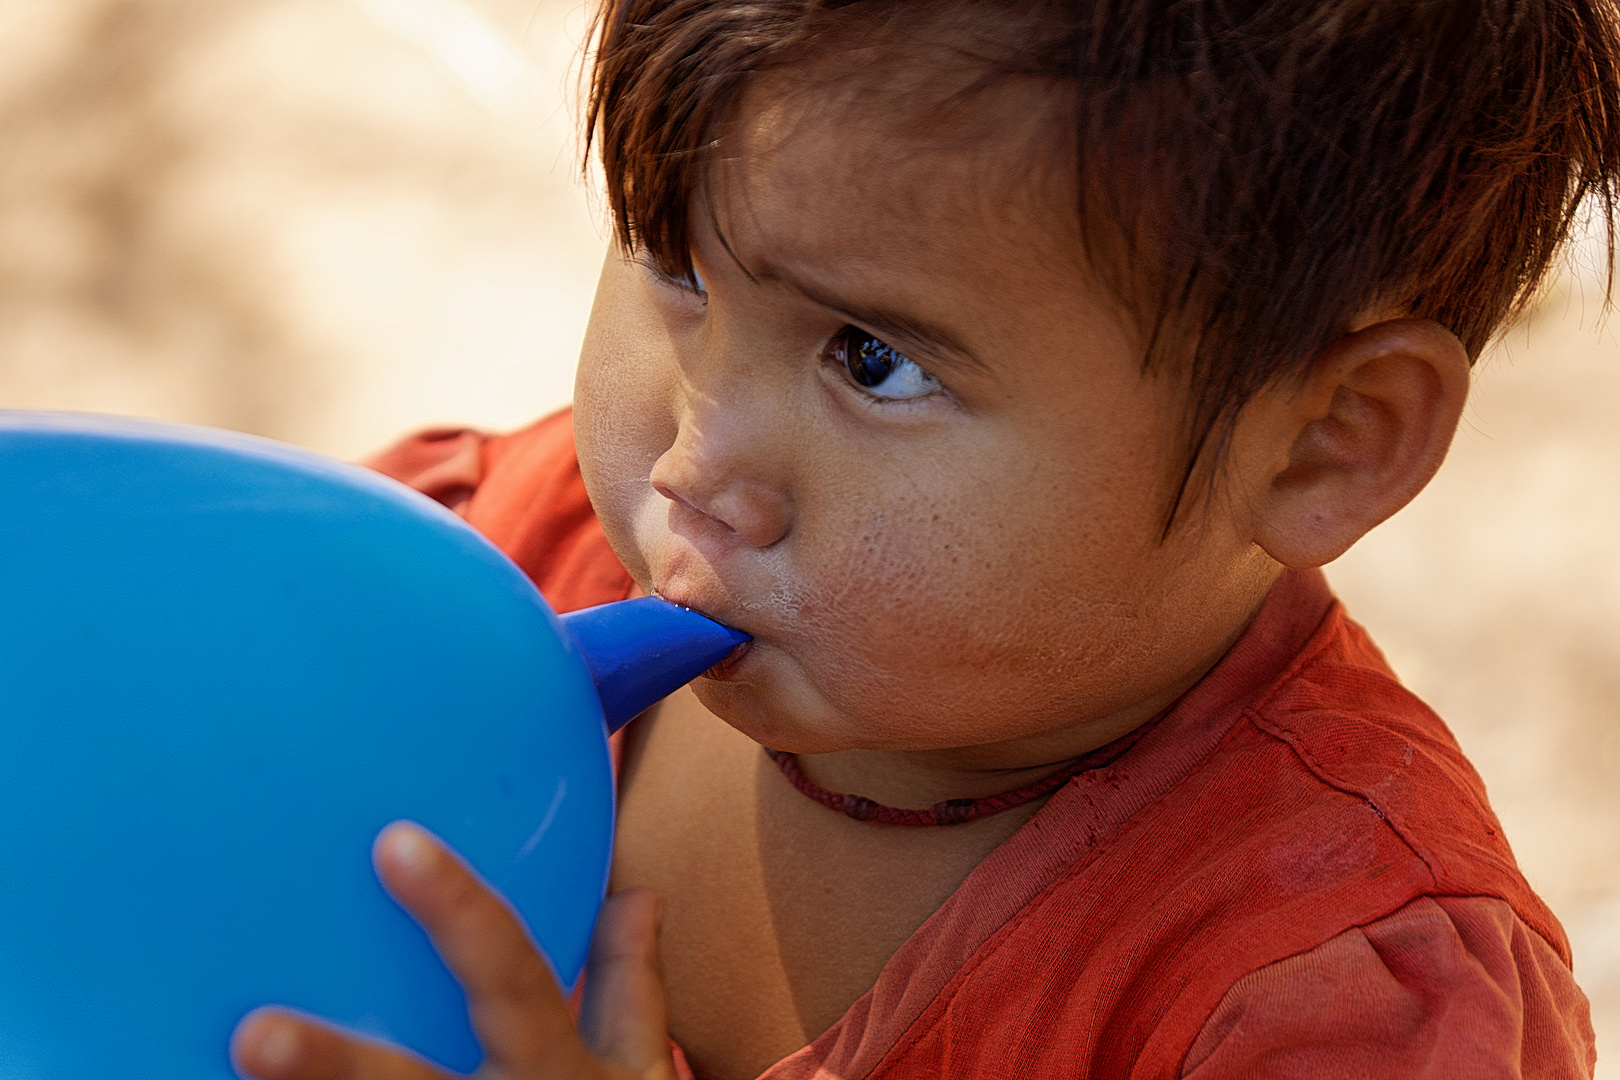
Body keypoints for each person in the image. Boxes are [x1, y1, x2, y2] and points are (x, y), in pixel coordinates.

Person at [230, 0, 1618, 1076]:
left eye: (873, 361)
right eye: (676, 259)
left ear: (1328, 440)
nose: (699, 466)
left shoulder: (1314, 1005)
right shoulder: (492, 572)